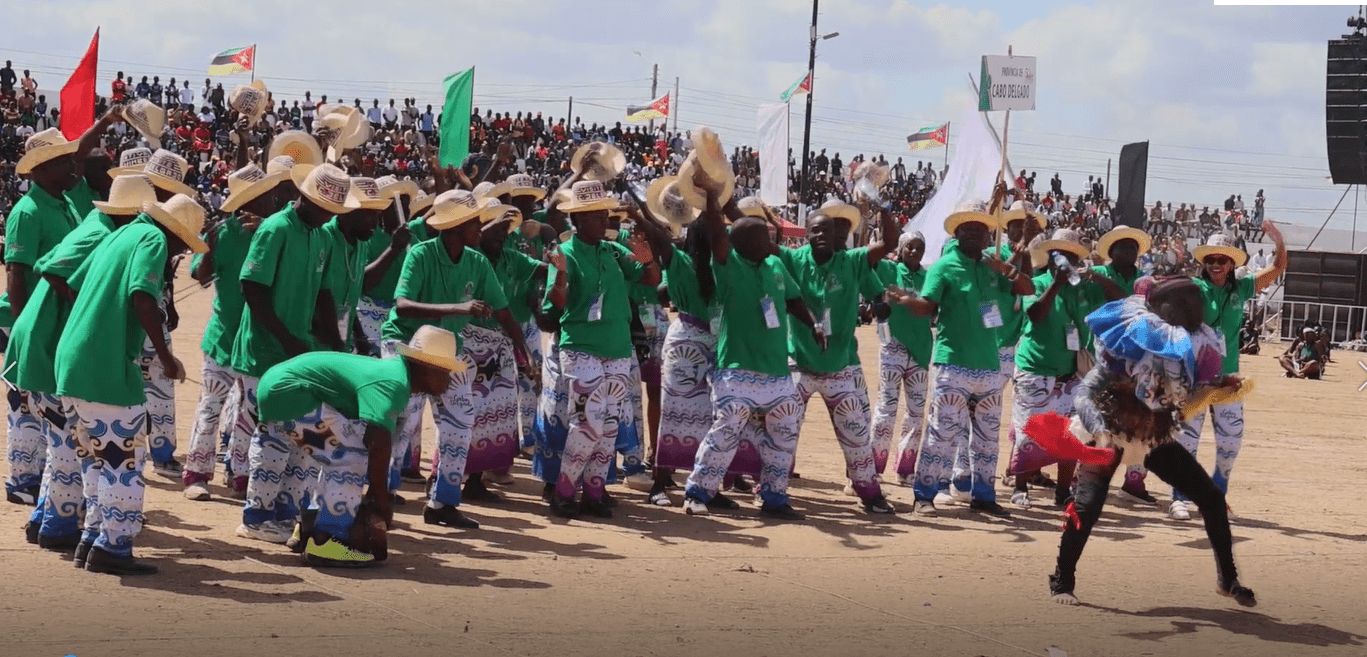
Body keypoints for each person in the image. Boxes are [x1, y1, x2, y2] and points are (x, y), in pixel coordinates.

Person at [1036, 277, 1255, 608]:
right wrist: (1099, 431)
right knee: (1087, 506)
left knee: (1210, 498)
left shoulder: (1189, 346)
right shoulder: (1127, 342)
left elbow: (1179, 400)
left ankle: (1229, 579)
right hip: (1109, 429)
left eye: (1197, 305)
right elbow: (1085, 394)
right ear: (1167, 308)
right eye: (1189, 305)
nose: (1198, 311)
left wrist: (1216, 389)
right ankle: (1061, 580)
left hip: (1152, 434)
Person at [54, 193, 208, 575]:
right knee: (125, 462)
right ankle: (114, 547)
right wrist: (167, 357)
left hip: (74, 362)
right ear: (175, 235)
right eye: (183, 246)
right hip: (104, 368)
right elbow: (141, 296)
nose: (177, 254)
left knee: (93, 460)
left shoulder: (121, 234)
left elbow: (75, 282)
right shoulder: (154, 240)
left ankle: (92, 539)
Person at [5, 174, 158, 549]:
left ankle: (49, 521)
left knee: (64, 445)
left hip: (45, 337)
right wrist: (90, 315)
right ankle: (56, 524)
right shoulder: (102, 230)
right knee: (66, 445)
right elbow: (54, 269)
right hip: (47, 338)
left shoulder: (101, 226)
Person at [252, 326, 460, 567]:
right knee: (350, 459)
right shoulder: (393, 382)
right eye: (446, 372)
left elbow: (372, 437)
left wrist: (375, 491)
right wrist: (380, 496)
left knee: (336, 456)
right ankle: (326, 540)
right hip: (291, 392)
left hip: (280, 387)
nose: (449, 380)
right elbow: (378, 441)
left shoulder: (396, 375)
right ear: (427, 368)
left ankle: (308, 528)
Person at [381, 189, 522, 528]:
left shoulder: (477, 261)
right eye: (475, 223)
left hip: (446, 352)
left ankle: (442, 502)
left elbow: (503, 312)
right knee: (403, 421)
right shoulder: (420, 254)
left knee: (462, 419)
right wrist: (456, 308)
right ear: (458, 226)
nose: (480, 228)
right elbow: (402, 305)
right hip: (405, 345)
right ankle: (381, 495)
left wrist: (523, 350)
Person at [885, 199, 1034, 517]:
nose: (974, 235)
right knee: (942, 433)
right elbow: (928, 305)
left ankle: (984, 495)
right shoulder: (944, 266)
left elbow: (1027, 287)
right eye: (968, 229)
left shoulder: (993, 266)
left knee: (988, 438)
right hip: (952, 363)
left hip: (989, 367)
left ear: (987, 235)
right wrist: (907, 299)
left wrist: (1006, 269)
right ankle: (923, 495)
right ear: (958, 232)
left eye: (980, 229)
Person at [682, 189, 822, 521]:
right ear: (743, 244)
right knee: (727, 428)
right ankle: (697, 492)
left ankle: (774, 497)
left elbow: (792, 299)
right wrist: (714, 200)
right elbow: (718, 233)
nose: (769, 241)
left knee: (786, 429)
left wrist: (813, 325)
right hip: (736, 369)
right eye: (761, 237)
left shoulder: (774, 263)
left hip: (776, 372)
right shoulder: (728, 265)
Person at [235, 164, 354, 543]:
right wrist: (287, 340)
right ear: (304, 198)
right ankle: (255, 518)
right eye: (324, 208)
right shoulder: (275, 229)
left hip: (301, 353)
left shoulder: (321, 237)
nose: (329, 216)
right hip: (265, 352)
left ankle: (285, 513)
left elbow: (322, 293)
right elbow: (253, 290)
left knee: (302, 441)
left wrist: (335, 345)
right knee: (271, 435)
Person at [2, 124, 114, 505]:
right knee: (24, 406)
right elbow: (16, 272)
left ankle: (44, 482)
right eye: (66, 161)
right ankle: (21, 481)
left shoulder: (64, 203)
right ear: (43, 168)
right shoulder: (28, 210)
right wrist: (23, 329)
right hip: (27, 320)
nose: (73, 168)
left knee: (43, 406)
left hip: (51, 319)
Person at [543, 180, 660, 518]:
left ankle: (594, 492)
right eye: (594, 216)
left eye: (604, 215)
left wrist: (649, 261)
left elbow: (649, 279)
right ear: (577, 219)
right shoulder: (563, 253)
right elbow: (558, 301)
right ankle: (564, 492)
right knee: (587, 424)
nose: (603, 221)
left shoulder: (613, 251)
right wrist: (561, 276)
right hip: (581, 347)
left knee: (608, 425)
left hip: (618, 347)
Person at [777, 199, 897, 514]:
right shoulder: (793, 260)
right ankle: (772, 491)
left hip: (840, 369)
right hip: (798, 365)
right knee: (782, 431)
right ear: (806, 235)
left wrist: (883, 208)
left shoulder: (853, 261)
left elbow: (890, 243)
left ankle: (870, 494)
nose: (820, 235)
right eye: (814, 230)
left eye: (826, 231)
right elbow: (760, 243)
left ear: (836, 236)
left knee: (856, 436)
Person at [182, 164, 282, 502]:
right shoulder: (224, 234)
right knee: (211, 405)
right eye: (265, 197)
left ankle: (240, 473)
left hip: (257, 340)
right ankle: (197, 472)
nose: (271, 201)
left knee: (248, 410)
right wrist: (208, 243)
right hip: (224, 337)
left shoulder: (276, 232)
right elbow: (201, 275)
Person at [1173, 225, 1286, 519]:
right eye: (1210, 260)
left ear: (1232, 264)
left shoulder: (1244, 287)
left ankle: (1217, 493)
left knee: (1231, 439)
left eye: (1222, 260)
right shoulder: (1194, 289)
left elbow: (1278, 267)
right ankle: (1179, 498)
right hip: (1195, 376)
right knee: (1187, 438)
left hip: (1228, 377)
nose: (1215, 265)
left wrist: (1279, 241)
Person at [1006, 229, 1122, 509]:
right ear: (1050, 257)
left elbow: (1119, 299)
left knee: (1072, 434)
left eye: (1070, 256)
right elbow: (1034, 314)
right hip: (1035, 367)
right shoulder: (1036, 283)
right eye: (1060, 255)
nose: (1065, 261)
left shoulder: (1083, 288)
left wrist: (1097, 277)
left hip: (1070, 372)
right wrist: (1055, 285)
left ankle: (1062, 491)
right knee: (1028, 432)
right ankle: (1020, 487)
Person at [1089, 226, 1159, 504]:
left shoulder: (1144, 280)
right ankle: (1091, 478)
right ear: (1111, 251)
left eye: (1132, 247)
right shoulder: (1097, 276)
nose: (1128, 252)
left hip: (1139, 356)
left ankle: (1134, 479)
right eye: (1122, 247)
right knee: (1101, 420)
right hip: (1106, 356)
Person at [871, 231, 933, 485]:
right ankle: (873, 468)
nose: (915, 252)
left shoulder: (929, 277)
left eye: (919, 247)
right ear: (900, 249)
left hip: (920, 352)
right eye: (910, 247)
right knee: (885, 410)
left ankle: (905, 468)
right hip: (893, 347)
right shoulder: (889, 270)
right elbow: (869, 260)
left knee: (916, 413)